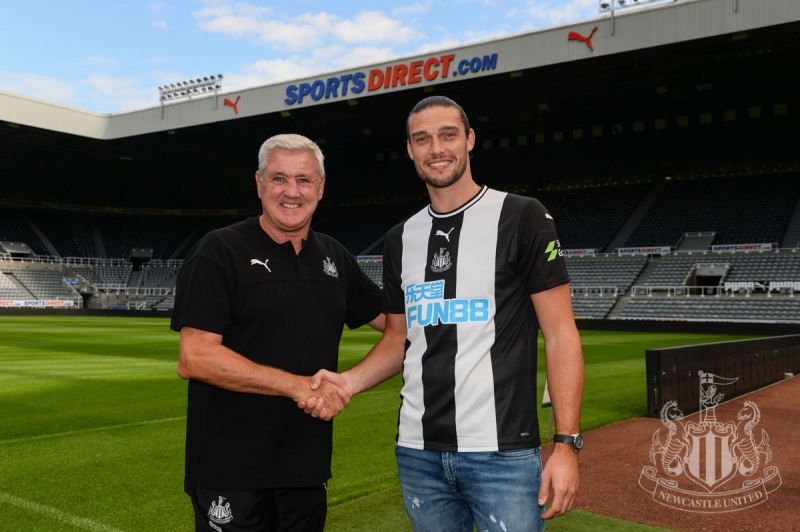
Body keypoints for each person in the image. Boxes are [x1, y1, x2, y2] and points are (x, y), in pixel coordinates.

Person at [301, 96, 584, 531]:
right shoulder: (401, 238)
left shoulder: (522, 216)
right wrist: (348, 382)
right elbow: (398, 338)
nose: (436, 148)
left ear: (469, 140)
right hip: (418, 454)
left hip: (502, 453)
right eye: (422, 139)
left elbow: (561, 333)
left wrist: (566, 444)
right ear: (410, 150)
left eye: (448, 135)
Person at [171, 133, 384, 532]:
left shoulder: (335, 257)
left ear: (320, 187)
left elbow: (399, 324)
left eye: (304, 180)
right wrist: (296, 386)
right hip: (230, 469)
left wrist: (350, 382)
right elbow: (195, 357)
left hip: (306, 470)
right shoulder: (219, 250)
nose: (292, 191)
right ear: (259, 183)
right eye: (279, 179)